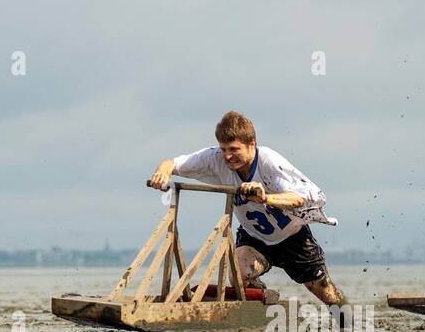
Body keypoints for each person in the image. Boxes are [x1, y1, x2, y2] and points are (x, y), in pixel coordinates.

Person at [147, 111, 345, 307]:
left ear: (252, 143)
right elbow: (172, 164)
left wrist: (265, 198)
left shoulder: (269, 162)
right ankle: (262, 304)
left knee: (328, 295)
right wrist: (162, 173)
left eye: (234, 149)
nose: (228, 156)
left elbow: (300, 198)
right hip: (254, 237)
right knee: (238, 275)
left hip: (293, 238)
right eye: (224, 149)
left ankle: (351, 327)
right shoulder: (214, 158)